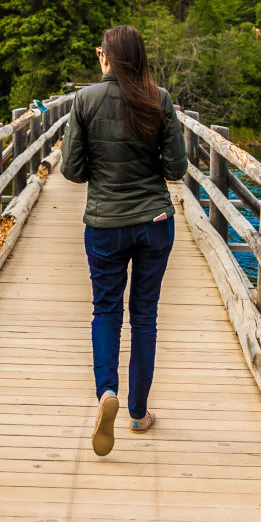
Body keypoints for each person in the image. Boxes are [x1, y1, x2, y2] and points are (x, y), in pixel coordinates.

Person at [60, 24, 187, 457]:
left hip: (104, 224)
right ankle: (138, 412)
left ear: (107, 57)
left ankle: (106, 392)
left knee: (106, 309)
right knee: (145, 315)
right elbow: (176, 168)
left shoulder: (85, 100)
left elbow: (72, 170)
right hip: (154, 222)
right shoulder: (160, 99)